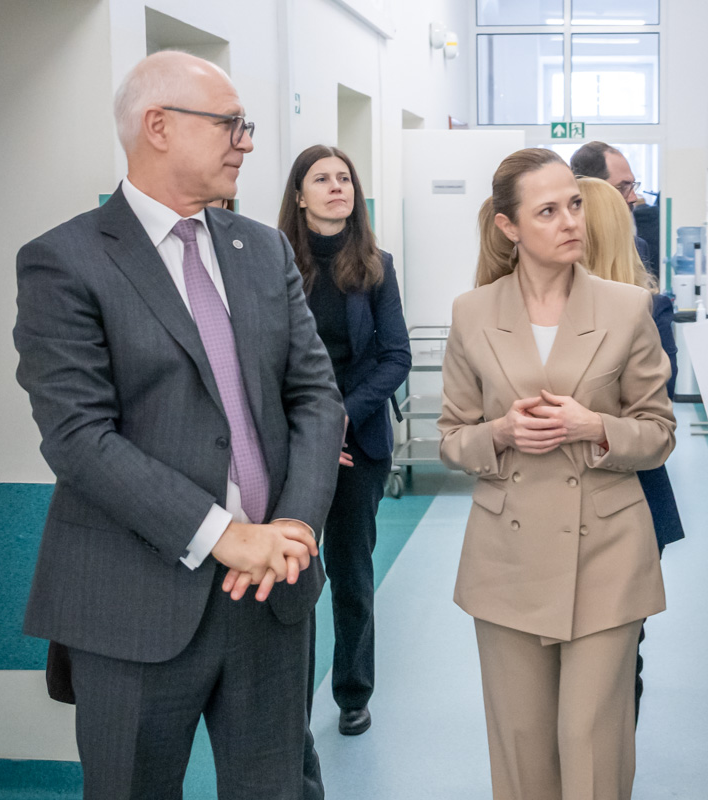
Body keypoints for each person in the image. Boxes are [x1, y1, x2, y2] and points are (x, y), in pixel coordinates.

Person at [12, 51, 342, 799]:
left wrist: (291, 526)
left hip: (271, 594)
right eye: (231, 124)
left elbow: (317, 397)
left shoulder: (262, 250)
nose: (247, 142)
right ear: (157, 127)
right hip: (133, 601)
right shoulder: (64, 262)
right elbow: (78, 437)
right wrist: (227, 536)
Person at [438, 148, 676, 800]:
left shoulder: (628, 308)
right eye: (548, 210)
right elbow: (452, 440)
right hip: (506, 558)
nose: (571, 220)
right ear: (509, 227)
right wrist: (501, 433)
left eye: (574, 203)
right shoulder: (472, 313)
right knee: (521, 752)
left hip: (606, 550)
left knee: (590, 742)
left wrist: (593, 427)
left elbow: (659, 433)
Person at [279, 144, 412, 736]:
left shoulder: (376, 264)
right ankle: (289, 704)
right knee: (294, 577)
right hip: (289, 444)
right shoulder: (272, 261)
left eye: (345, 178)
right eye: (321, 178)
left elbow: (396, 356)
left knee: (352, 574)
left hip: (359, 444)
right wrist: (308, 433)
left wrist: (336, 420)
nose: (337, 187)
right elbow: (263, 361)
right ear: (300, 195)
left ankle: (353, 692)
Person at [577, 176, 683, 724]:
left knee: (617, 657)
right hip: (555, 504)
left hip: (631, 502)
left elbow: (652, 422)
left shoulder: (649, 310)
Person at [570, 141, 652, 271]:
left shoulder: (638, 249)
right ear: (592, 188)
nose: (633, 198)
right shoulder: (565, 250)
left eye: (632, 186)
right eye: (623, 187)